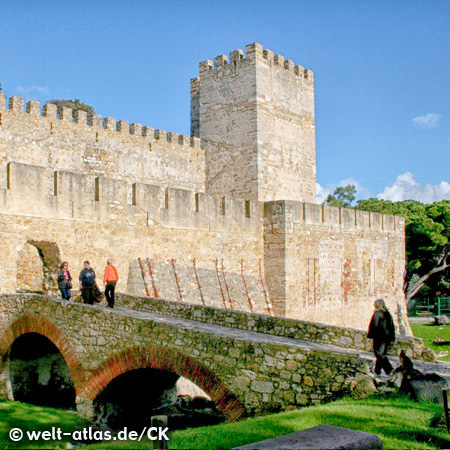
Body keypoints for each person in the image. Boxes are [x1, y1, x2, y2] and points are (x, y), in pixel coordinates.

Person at [368, 298, 395, 376]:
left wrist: (370, 336)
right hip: (387, 338)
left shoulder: (377, 314)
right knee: (381, 354)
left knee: (379, 354)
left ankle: (389, 370)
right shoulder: (388, 314)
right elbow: (392, 327)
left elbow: (373, 325)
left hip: (379, 338)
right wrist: (392, 338)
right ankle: (377, 371)